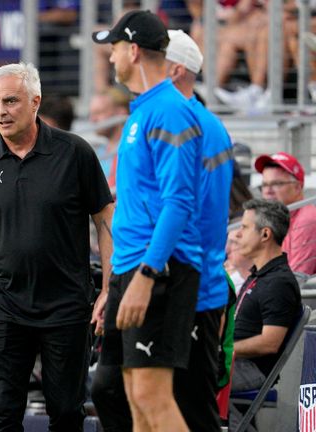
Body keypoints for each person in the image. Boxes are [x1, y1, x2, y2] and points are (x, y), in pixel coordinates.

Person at [0, 62, 114, 432]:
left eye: (11, 101)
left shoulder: (74, 153)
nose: (0, 111)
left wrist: (111, 288)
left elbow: (106, 222)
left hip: (66, 305)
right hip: (4, 306)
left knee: (66, 412)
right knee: (3, 414)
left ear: (35, 102)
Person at [91, 29, 233, 432]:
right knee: (127, 394)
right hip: (146, 271)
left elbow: (193, 211)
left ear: (172, 68)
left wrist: (167, 279)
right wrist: (117, 281)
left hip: (182, 283)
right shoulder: (151, 115)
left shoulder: (194, 125)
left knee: (181, 405)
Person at [229, 199, 302, 429]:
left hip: (251, 368)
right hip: (237, 362)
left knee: (183, 375)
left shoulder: (278, 281)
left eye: (244, 227)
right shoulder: (259, 275)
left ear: (265, 234)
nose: (238, 234)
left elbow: (270, 342)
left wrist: (224, 350)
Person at [254, 151, 316, 275]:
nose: (268, 191)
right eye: (265, 185)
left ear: (297, 187)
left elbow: (297, 277)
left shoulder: (307, 220)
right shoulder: (275, 219)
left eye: (276, 184)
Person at [88, 86, 130, 189]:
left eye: (99, 112)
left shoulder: (132, 148)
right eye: (92, 113)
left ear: (121, 113)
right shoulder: (99, 152)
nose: (92, 119)